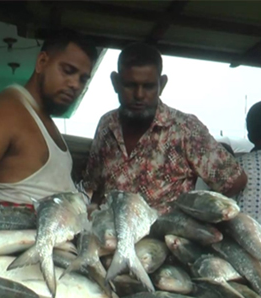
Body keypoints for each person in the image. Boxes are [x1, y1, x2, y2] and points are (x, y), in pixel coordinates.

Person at [0, 30, 98, 209]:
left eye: (83, 79)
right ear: (42, 62)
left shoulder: (43, 118)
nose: (75, 84)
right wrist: (13, 230)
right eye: (68, 71)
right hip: (21, 237)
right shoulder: (7, 111)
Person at [82, 43, 247, 213]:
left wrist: (201, 214)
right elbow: (94, 186)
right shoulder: (106, 125)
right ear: (115, 83)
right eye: (130, 85)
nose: (139, 95)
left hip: (163, 237)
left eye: (148, 86)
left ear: (162, 84)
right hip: (110, 234)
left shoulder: (185, 129)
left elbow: (234, 181)